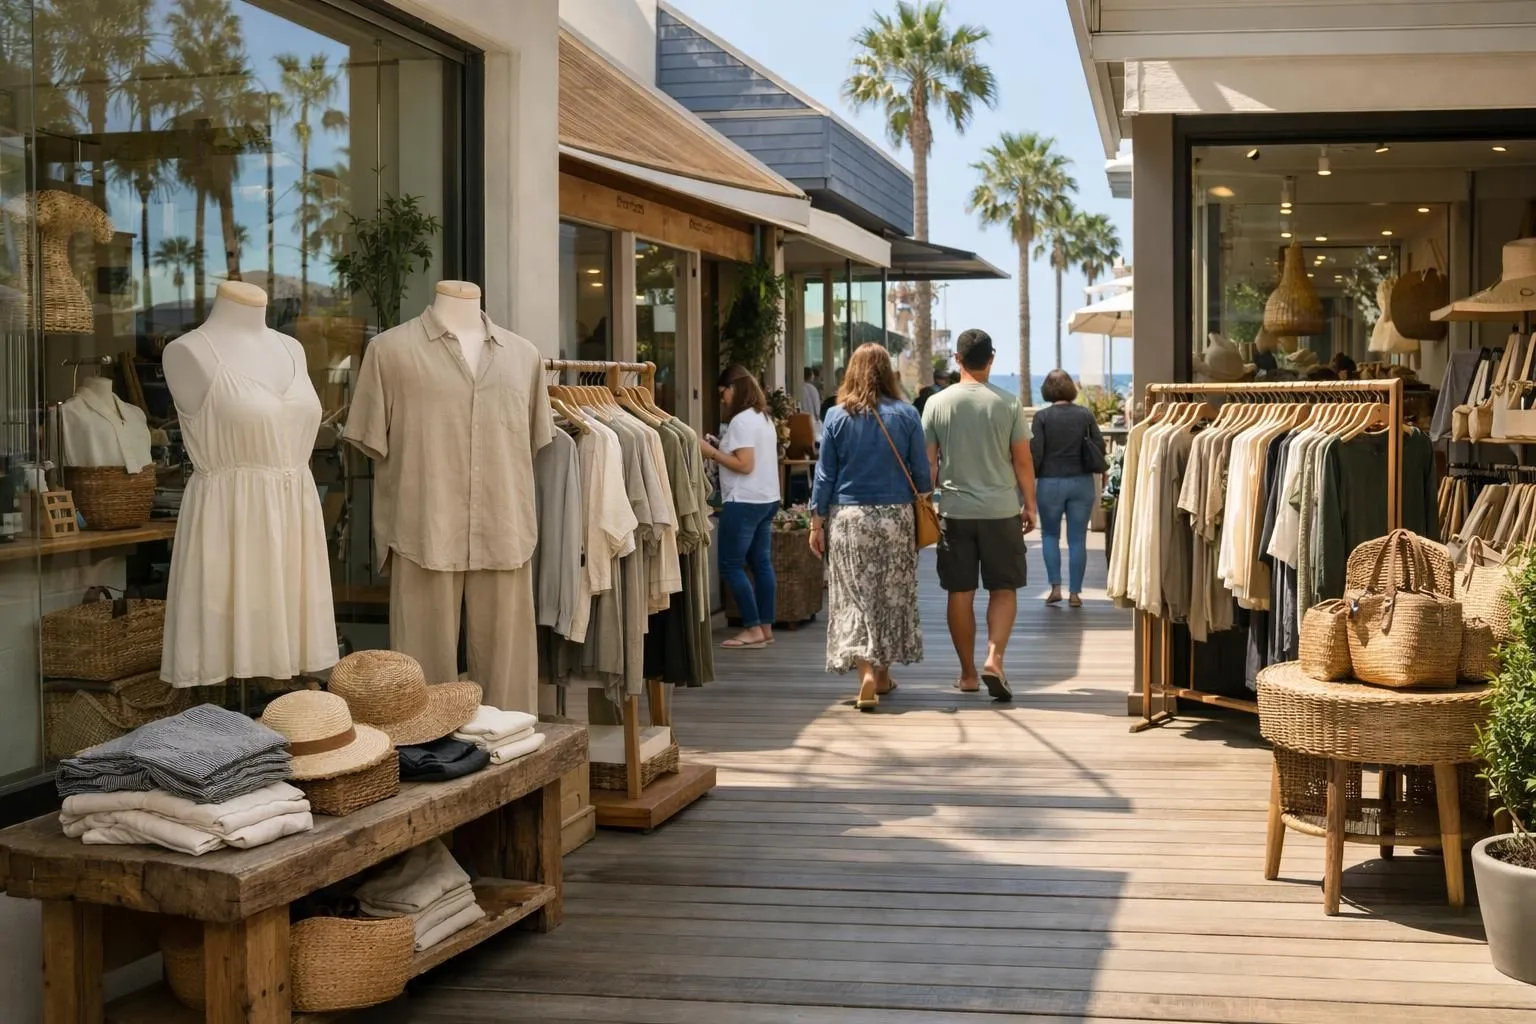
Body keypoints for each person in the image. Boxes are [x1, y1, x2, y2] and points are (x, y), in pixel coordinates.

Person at [810, 343, 930, 712]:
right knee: (891, 593)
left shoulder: (835, 416)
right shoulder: (907, 414)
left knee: (854, 596)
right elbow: (922, 475)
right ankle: (882, 674)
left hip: (850, 518)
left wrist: (816, 522)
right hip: (895, 516)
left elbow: (825, 473)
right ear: (888, 372)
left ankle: (865, 673)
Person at [922, 328, 1037, 702]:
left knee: (960, 591)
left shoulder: (937, 404)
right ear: (991, 359)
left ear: (957, 359)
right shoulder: (1007, 403)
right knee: (1003, 589)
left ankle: (968, 674)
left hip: (954, 512)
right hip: (1001, 511)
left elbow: (929, 468)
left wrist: (926, 504)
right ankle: (994, 658)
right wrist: (1030, 505)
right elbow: (1022, 460)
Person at [701, 365, 782, 650]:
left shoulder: (741, 421)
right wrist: (720, 447)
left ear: (733, 389)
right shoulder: (763, 418)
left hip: (744, 500)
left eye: (723, 393)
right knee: (761, 563)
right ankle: (765, 627)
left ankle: (751, 627)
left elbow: (744, 465)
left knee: (730, 565)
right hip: (766, 498)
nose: (722, 399)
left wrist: (708, 450)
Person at [1031, 369, 1106, 609]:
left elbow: (1036, 453)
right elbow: (1099, 446)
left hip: (1050, 482)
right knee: (1077, 539)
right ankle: (1075, 594)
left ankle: (1055, 588)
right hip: (1081, 482)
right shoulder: (1085, 415)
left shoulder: (1042, 417)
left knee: (1050, 535)